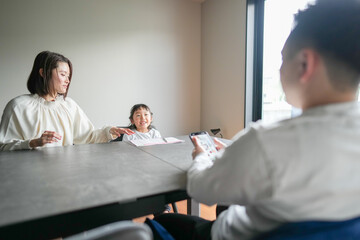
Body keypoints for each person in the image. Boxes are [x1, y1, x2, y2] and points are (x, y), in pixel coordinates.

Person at [153, 0, 360, 239]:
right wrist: (235, 155)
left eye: (283, 59)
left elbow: (201, 190)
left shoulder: (267, 141)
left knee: (163, 220)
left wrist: (200, 157)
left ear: (305, 64)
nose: (280, 69)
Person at [0, 51, 134, 151]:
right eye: (63, 74)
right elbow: (3, 146)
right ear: (43, 73)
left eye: (68, 76)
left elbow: (87, 137)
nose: (67, 80)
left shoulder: (69, 105)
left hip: (66, 174)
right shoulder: (18, 106)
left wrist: (108, 132)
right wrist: (33, 143)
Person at [122, 103, 171, 214]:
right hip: (136, 169)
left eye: (146, 114)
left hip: (153, 168)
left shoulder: (155, 133)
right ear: (132, 120)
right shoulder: (129, 135)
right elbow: (125, 154)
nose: (143, 118)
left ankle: (163, 210)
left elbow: (160, 151)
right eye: (138, 115)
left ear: (151, 118)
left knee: (160, 183)